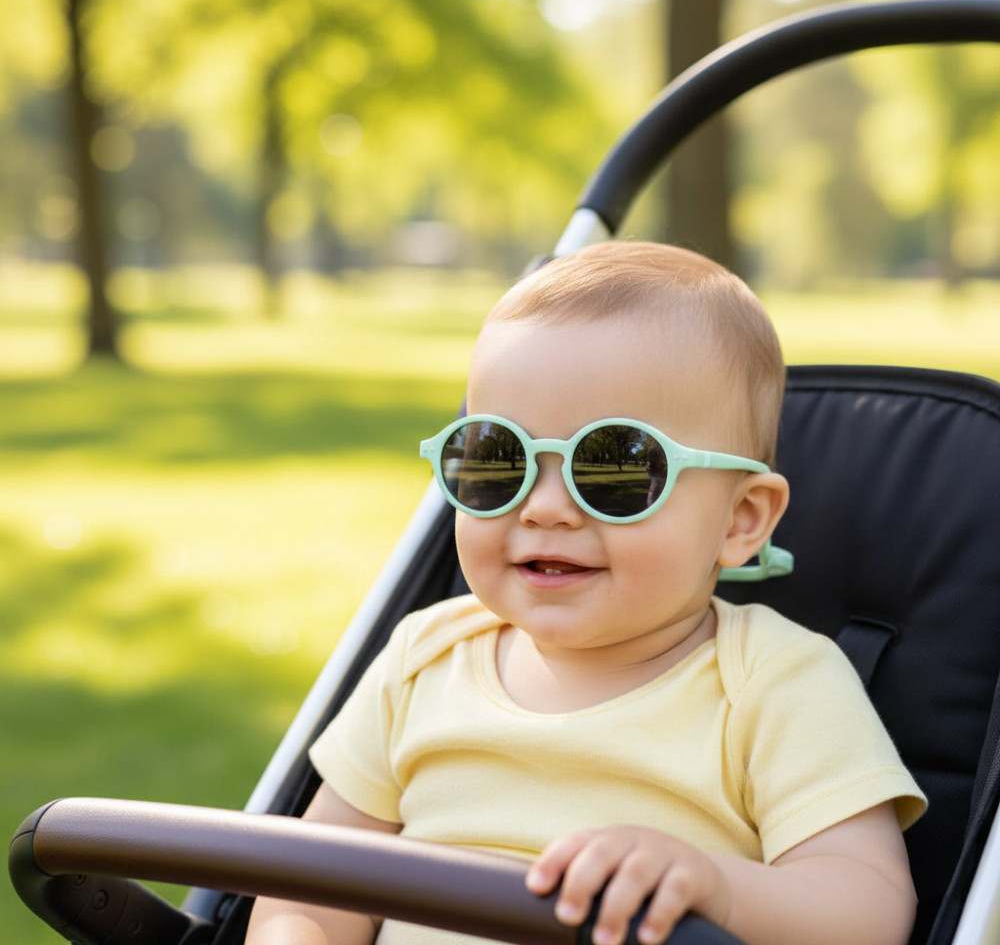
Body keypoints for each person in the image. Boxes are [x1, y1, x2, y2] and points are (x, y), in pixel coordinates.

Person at [246, 242, 925, 945]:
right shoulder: (423, 660)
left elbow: (868, 910)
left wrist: (718, 888)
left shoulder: (773, 683)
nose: (543, 508)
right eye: (496, 458)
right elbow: (312, 886)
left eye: (613, 468)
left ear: (739, 519)